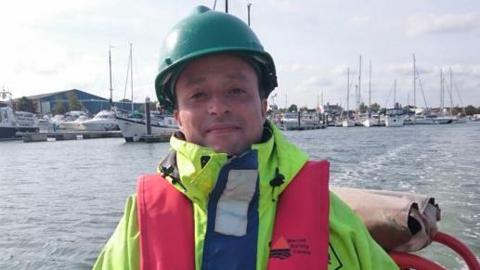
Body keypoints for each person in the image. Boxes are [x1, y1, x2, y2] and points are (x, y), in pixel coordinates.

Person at [93, 6, 399, 270]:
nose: (218, 107)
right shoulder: (140, 222)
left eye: (236, 90)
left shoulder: (330, 215)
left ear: (264, 105)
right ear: (177, 115)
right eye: (198, 94)